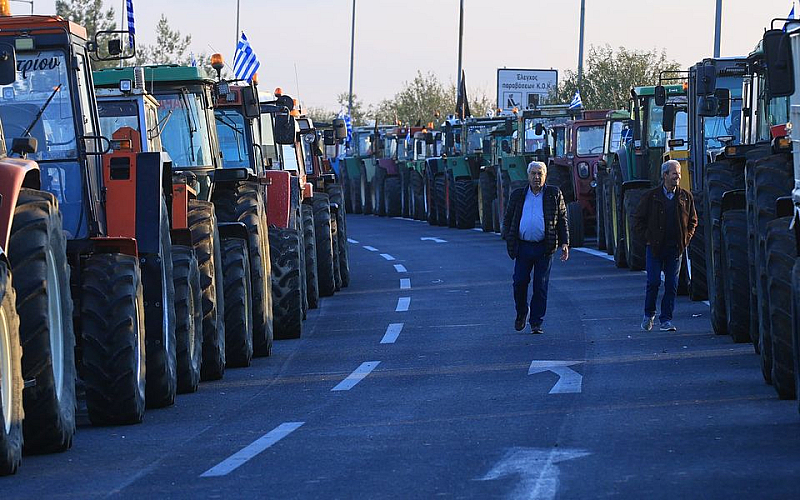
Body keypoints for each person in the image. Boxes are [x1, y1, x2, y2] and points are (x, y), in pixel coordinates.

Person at [501, 161, 569, 334]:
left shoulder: (554, 194)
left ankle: (536, 321)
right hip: (523, 247)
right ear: (528, 175)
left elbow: (562, 219)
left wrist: (565, 243)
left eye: (540, 174)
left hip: (544, 248)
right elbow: (508, 218)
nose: (537, 177)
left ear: (545, 176)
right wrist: (508, 238)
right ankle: (522, 312)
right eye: (533, 174)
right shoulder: (518, 195)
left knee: (541, 285)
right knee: (519, 282)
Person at [633, 159, 697, 332]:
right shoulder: (651, 197)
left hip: (675, 249)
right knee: (653, 282)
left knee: (671, 284)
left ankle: (666, 319)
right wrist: (648, 238)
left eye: (679, 173)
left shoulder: (685, 197)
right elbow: (638, 220)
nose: (678, 176)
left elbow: (693, 220)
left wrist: (686, 238)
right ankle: (649, 314)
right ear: (665, 175)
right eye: (674, 173)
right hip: (655, 248)